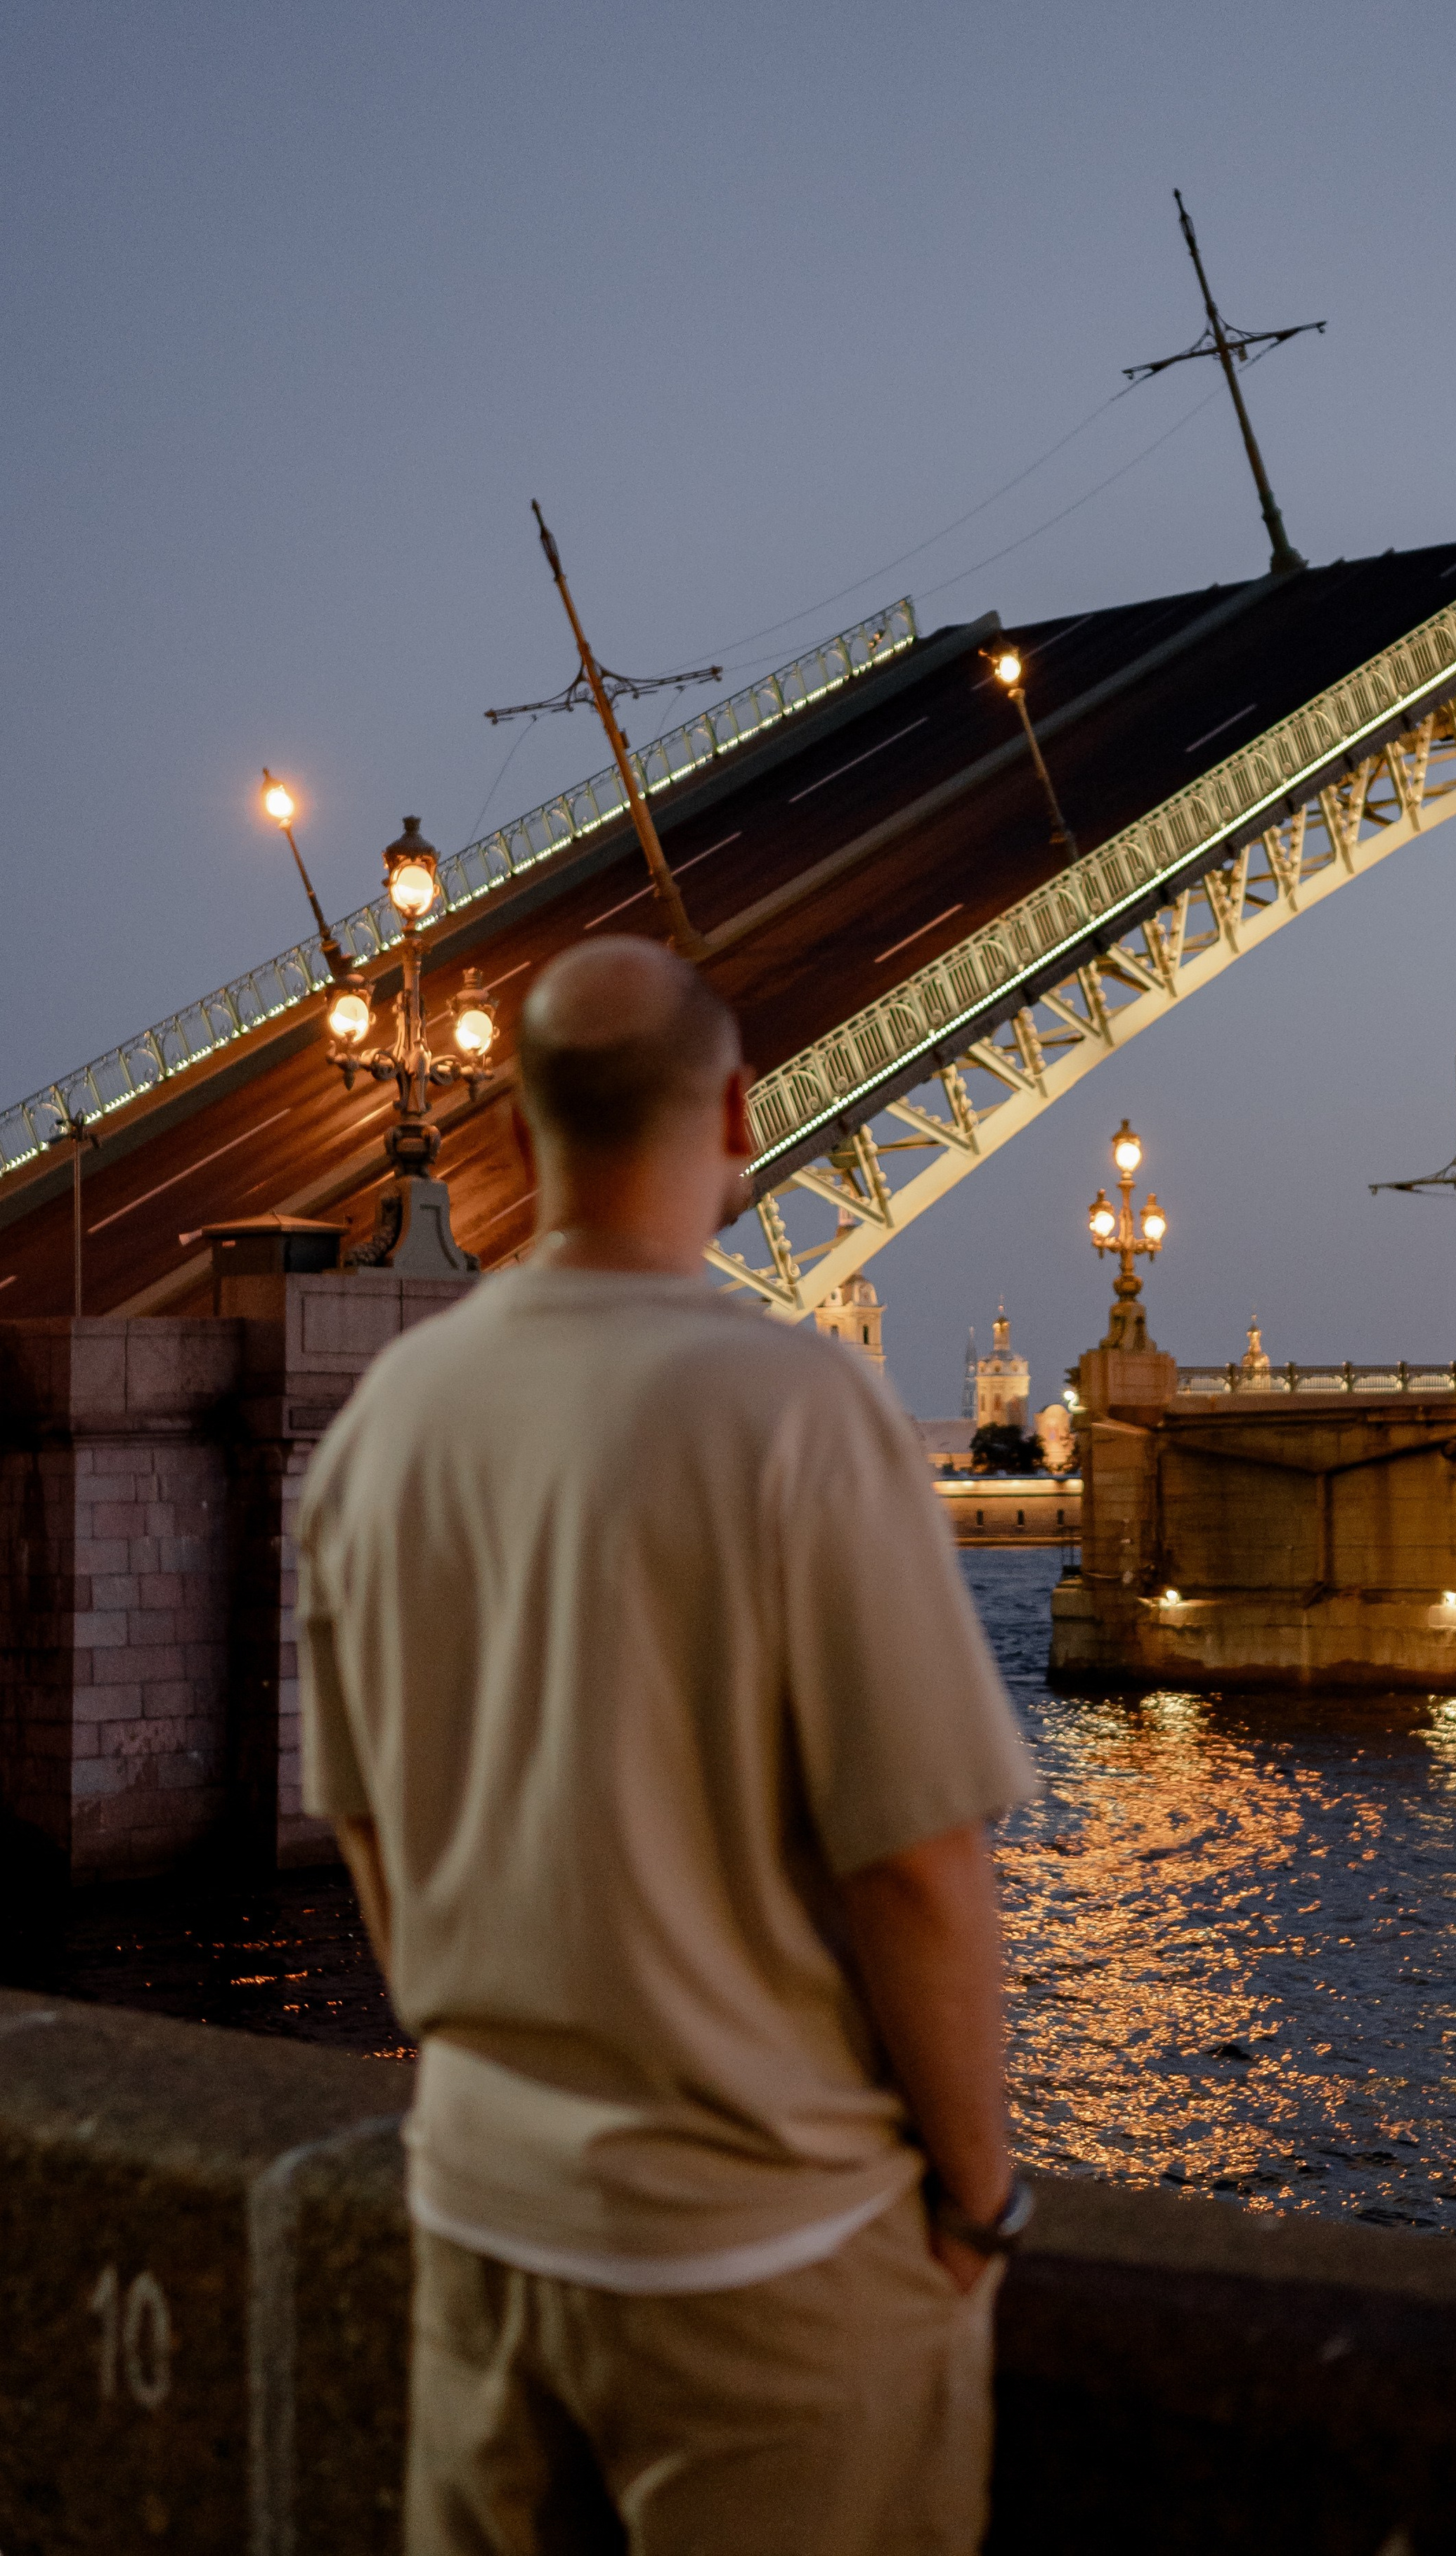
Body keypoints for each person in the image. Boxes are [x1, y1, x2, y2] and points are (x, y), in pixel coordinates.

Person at [299, 936, 1037, 2556]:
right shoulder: (794, 1410)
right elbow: (916, 1867)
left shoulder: (385, 1424)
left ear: (517, 1133)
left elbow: (366, 1833)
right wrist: (978, 2207)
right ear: (736, 1116)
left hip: (483, 2230)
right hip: (760, 2264)